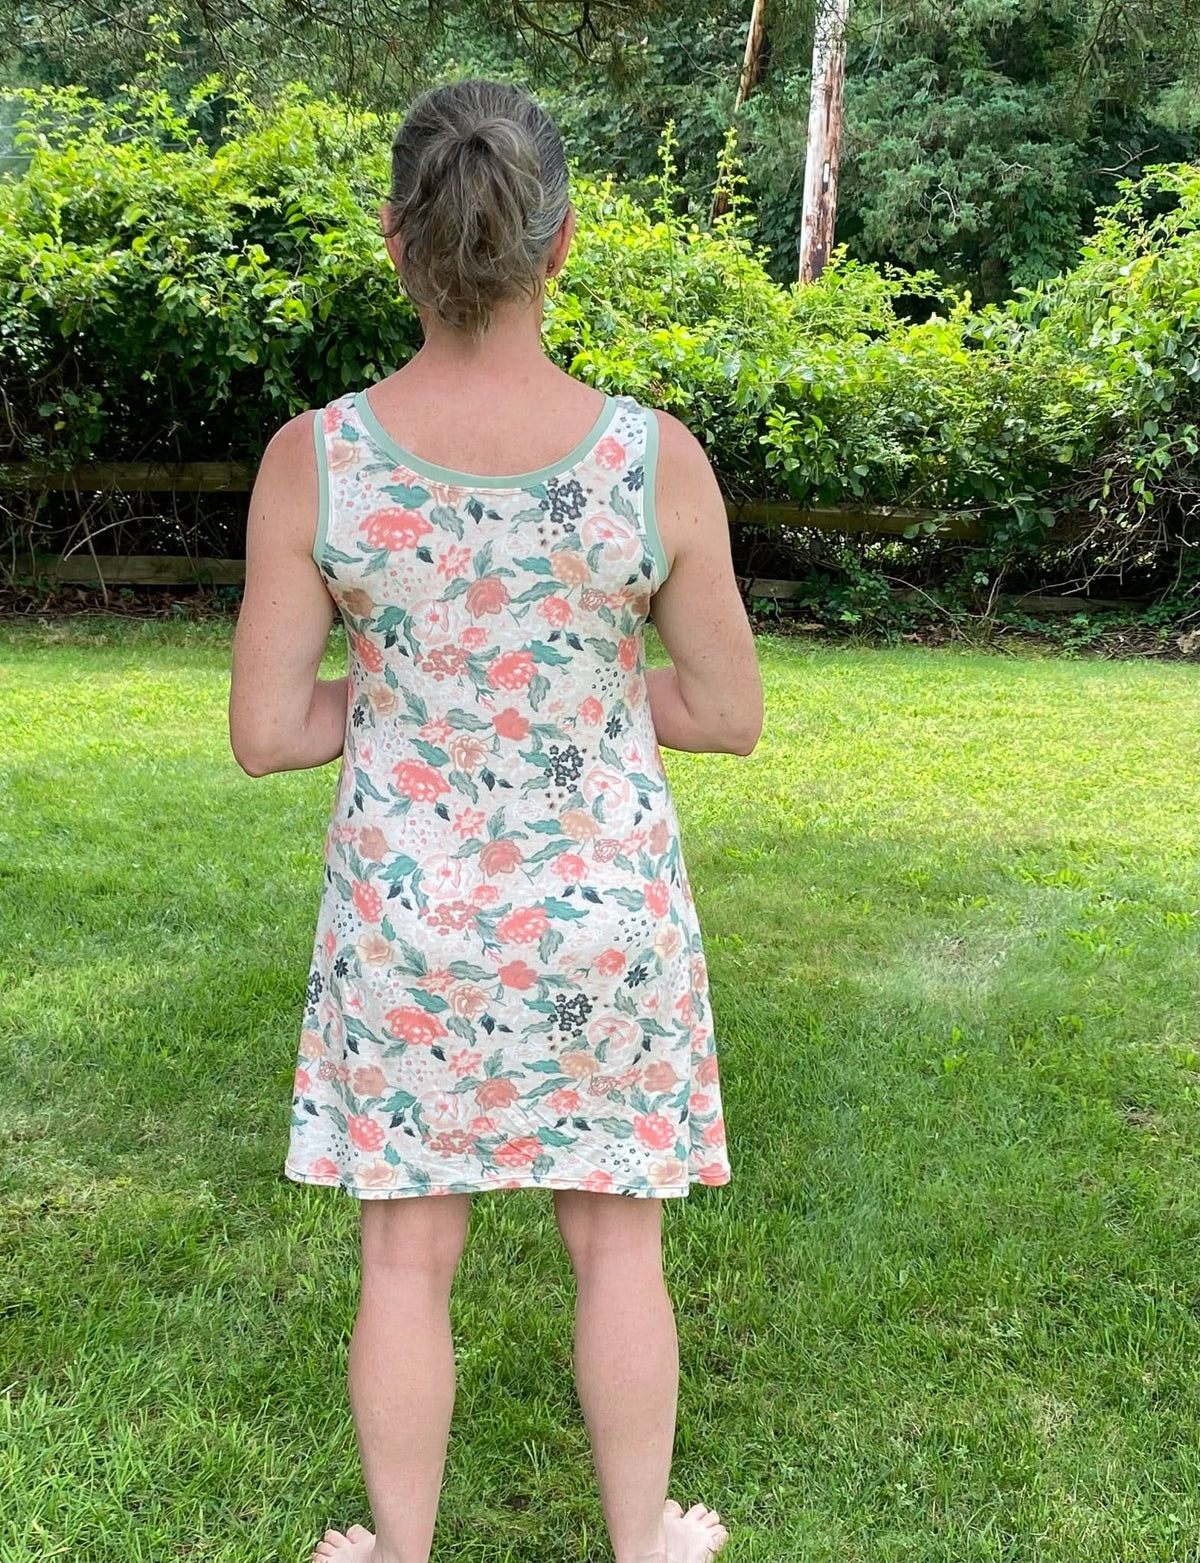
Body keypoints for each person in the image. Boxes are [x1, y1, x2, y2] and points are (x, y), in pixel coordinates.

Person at [228, 76, 763, 1563]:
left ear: (397, 239)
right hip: (608, 922)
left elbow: (271, 732)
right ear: (563, 242)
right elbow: (722, 707)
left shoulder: (315, 458)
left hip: (411, 924)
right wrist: (563, 699)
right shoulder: (652, 459)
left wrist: (427, 701)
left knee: (406, 1255)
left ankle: (399, 1559)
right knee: (617, 1241)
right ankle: (641, 1539)